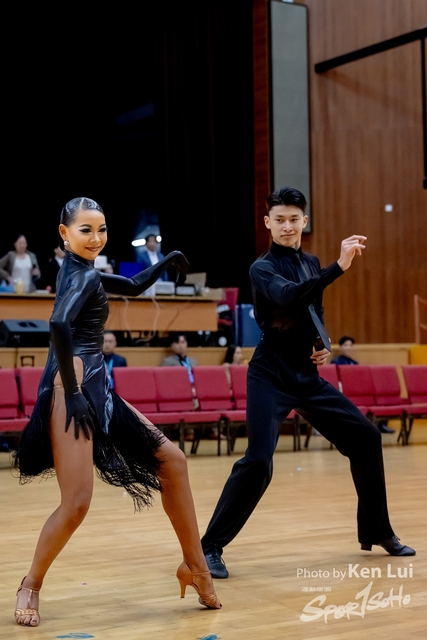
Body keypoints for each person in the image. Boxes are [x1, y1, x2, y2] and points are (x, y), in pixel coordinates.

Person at [12, 197, 220, 627]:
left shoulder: (85, 271)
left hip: (95, 387)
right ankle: (30, 584)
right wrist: (72, 394)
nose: (96, 238)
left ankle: (195, 566)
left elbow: (134, 285)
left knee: (173, 462)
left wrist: (167, 261)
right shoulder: (81, 275)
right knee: (76, 503)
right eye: (85, 230)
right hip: (72, 389)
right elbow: (58, 324)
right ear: (64, 233)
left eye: (102, 229)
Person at [201, 186, 415, 580]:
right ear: (267, 222)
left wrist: (323, 342)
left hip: (306, 374)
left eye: (293, 219)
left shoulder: (310, 261)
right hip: (269, 374)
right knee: (258, 462)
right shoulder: (262, 268)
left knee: (366, 438)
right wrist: (338, 267)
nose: (287, 226)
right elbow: (289, 297)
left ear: (304, 221)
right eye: (279, 219)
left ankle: (378, 530)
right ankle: (209, 547)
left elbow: (314, 307)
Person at [331, 336, 395, 434]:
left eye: (350, 345)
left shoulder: (355, 363)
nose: (348, 348)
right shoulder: (336, 362)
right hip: (343, 391)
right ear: (340, 347)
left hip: (356, 390)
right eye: (345, 345)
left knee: (383, 398)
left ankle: (381, 425)